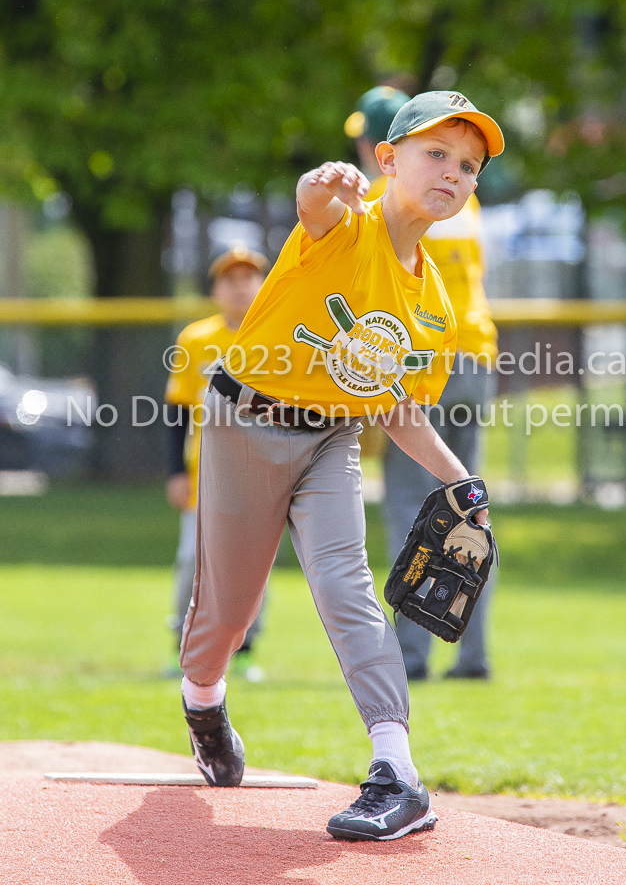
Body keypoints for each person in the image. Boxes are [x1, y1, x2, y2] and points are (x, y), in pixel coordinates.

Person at [178, 90, 504, 841]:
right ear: (386, 159)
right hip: (241, 425)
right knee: (229, 609)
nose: (453, 173)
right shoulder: (343, 225)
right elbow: (311, 206)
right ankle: (203, 699)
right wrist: (321, 185)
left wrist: (461, 480)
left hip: (331, 439)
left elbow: (397, 408)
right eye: (435, 154)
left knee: (347, 583)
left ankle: (397, 772)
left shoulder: (436, 310)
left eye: (469, 165)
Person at [346, 86, 498, 681]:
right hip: (478, 356)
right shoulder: (466, 196)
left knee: (416, 507)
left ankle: (412, 654)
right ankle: (475, 655)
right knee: (471, 506)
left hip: (420, 362)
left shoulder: (396, 200)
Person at [164, 245, 269, 681]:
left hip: (261, 471)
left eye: (249, 278)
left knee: (251, 565)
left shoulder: (276, 335)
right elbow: (176, 411)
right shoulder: (195, 339)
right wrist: (174, 472)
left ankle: (244, 650)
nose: (240, 287)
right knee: (193, 559)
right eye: (230, 279)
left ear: (264, 286)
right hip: (204, 472)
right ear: (215, 290)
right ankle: (182, 645)